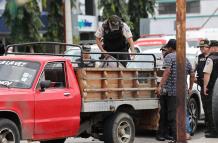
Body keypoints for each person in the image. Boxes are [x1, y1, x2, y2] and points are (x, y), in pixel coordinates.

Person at [156, 39, 194, 143]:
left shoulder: (169, 57)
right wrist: (190, 88)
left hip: (170, 91)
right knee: (180, 114)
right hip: (182, 92)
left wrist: (160, 86)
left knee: (170, 115)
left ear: (171, 48)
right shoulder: (185, 58)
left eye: (168, 47)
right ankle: (173, 135)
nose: (166, 49)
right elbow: (192, 73)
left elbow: (167, 72)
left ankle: (175, 138)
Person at [156, 45, 173, 141]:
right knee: (162, 114)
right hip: (161, 89)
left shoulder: (170, 60)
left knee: (167, 113)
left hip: (168, 89)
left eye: (165, 50)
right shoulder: (159, 60)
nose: (163, 52)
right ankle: (160, 134)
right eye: (162, 50)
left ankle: (166, 133)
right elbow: (158, 74)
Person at [194, 39, 211, 134]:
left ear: (208, 47)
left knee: (211, 105)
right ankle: (208, 125)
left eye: (203, 47)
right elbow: (194, 69)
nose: (201, 49)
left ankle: (211, 125)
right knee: (205, 105)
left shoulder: (213, 57)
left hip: (212, 84)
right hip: (202, 83)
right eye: (200, 47)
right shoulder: (199, 57)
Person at [203, 40, 218, 138]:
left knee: (211, 110)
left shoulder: (210, 59)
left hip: (213, 89)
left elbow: (207, 74)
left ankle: (214, 132)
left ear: (213, 47)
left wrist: (205, 86)